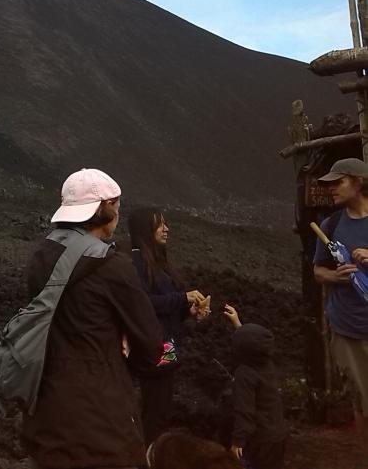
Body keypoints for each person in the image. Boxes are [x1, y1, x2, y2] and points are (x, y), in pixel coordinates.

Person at [22, 168, 164, 469]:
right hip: (103, 421)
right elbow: (152, 346)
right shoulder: (113, 267)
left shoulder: (39, 261)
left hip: (45, 413)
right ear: (107, 210)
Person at [128, 208, 208, 444]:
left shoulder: (158, 261)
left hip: (167, 347)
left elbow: (166, 307)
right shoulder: (136, 262)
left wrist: (188, 311)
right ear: (145, 230)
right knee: (156, 411)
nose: (166, 229)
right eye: (159, 224)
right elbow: (142, 304)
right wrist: (183, 299)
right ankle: (149, 456)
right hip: (153, 349)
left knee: (160, 408)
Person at [314, 158, 368, 440]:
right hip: (349, 329)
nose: (331, 189)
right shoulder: (331, 224)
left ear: (358, 182)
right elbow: (318, 270)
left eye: (338, 182)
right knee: (361, 402)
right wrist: (336, 277)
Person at [222, 304, 288, 469]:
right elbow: (253, 344)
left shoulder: (244, 374)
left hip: (259, 442)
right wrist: (238, 323)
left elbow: (245, 412)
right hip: (277, 436)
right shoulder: (267, 363)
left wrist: (238, 442)